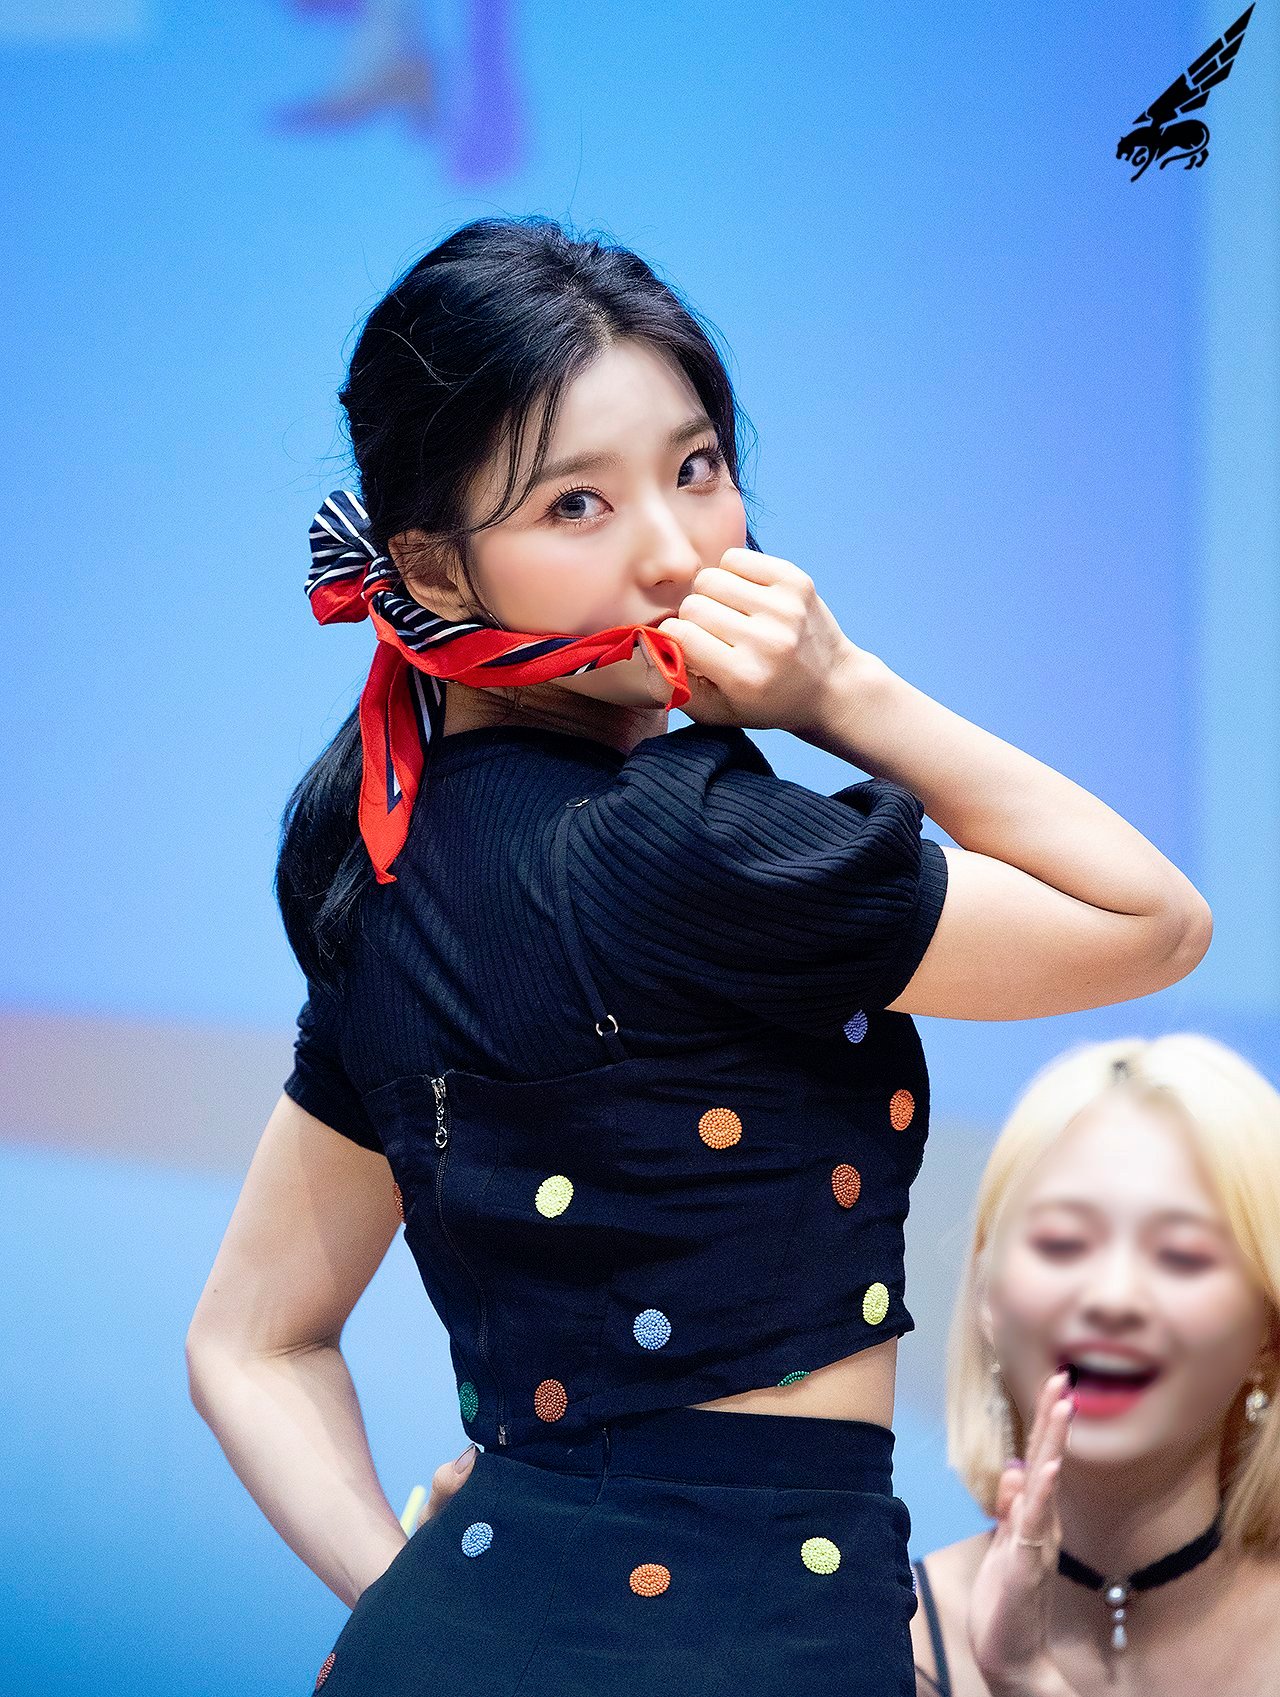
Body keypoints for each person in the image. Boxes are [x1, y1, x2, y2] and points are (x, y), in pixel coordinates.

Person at [183, 214, 1211, 1696]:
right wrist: (840, 688)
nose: (675, 553)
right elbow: (1151, 921)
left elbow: (249, 1342)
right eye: (577, 505)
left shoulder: (382, 870)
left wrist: (425, 1600)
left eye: (696, 467)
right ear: (429, 570)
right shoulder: (684, 839)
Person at [908, 1034, 1280, 1696]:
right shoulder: (874, 1643)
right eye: (1063, 1242)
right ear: (988, 1298)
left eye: (1182, 1254)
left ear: (1268, 1333)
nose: (1112, 1299)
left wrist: (1025, 1679)